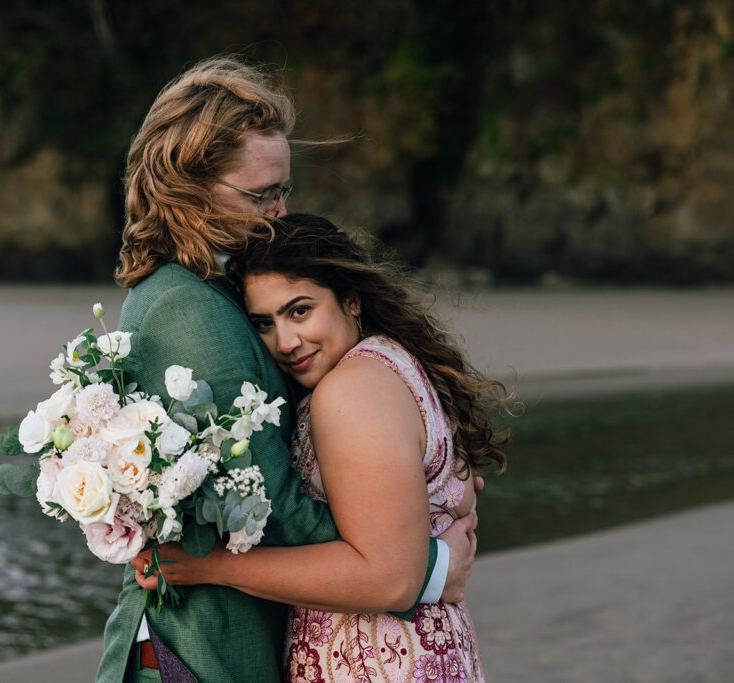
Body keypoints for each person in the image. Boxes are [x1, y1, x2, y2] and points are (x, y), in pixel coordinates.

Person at [94, 57, 481, 683]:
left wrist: (415, 491)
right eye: (260, 193)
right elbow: (265, 501)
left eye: (284, 191)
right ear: (187, 185)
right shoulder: (189, 308)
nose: (277, 211)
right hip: (203, 649)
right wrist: (421, 554)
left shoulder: (221, 285)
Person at [132, 214, 510, 682]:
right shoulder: (385, 362)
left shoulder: (351, 391)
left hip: (379, 662)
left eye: (300, 311)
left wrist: (210, 567)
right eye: (264, 324)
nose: (286, 342)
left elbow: (388, 579)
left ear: (351, 299)